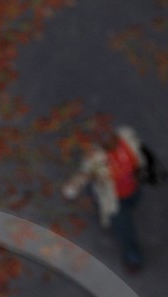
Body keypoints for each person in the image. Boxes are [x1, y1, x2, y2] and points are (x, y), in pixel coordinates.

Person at [62, 113, 149, 272]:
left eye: (107, 134)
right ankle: (133, 257)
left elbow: (138, 152)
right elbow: (84, 173)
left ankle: (103, 207)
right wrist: (73, 187)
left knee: (134, 202)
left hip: (133, 189)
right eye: (101, 137)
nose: (106, 139)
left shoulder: (126, 135)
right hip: (114, 199)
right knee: (125, 228)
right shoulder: (95, 157)